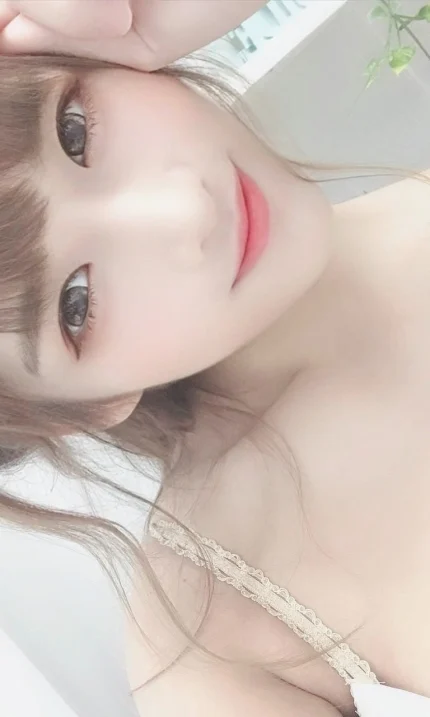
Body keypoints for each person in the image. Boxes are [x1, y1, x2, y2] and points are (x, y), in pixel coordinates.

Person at [0, 2, 429, 716]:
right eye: (76, 304)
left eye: (74, 132)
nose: (183, 210)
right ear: (80, 407)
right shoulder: (215, 638)